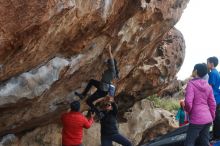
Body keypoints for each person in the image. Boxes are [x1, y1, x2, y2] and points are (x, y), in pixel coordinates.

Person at [75, 44, 119, 118]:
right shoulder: (111, 71)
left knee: (89, 101)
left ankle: (98, 112)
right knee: (92, 81)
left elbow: (111, 59)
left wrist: (109, 50)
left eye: (108, 63)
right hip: (102, 86)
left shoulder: (112, 70)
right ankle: (83, 95)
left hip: (102, 90)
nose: (107, 64)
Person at [184, 63, 216, 146]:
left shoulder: (191, 84)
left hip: (197, 119)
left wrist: (188, 111)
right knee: (204, 142)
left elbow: (188, 102)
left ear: (196, 71)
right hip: (207, 118)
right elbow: (213, 104)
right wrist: (212, 117)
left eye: (193, 69)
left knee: (189, 142)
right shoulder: (208, 86)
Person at [207, 56, 220, 139]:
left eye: (207, 63)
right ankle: (216, 136)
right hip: (217, 98)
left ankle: (216, 137)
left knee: (215, 119)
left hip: (214, 99)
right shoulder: (216, 72)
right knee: (216, 118)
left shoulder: (212, 73)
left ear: (211, 64)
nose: (207, 64)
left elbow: (209, 88)